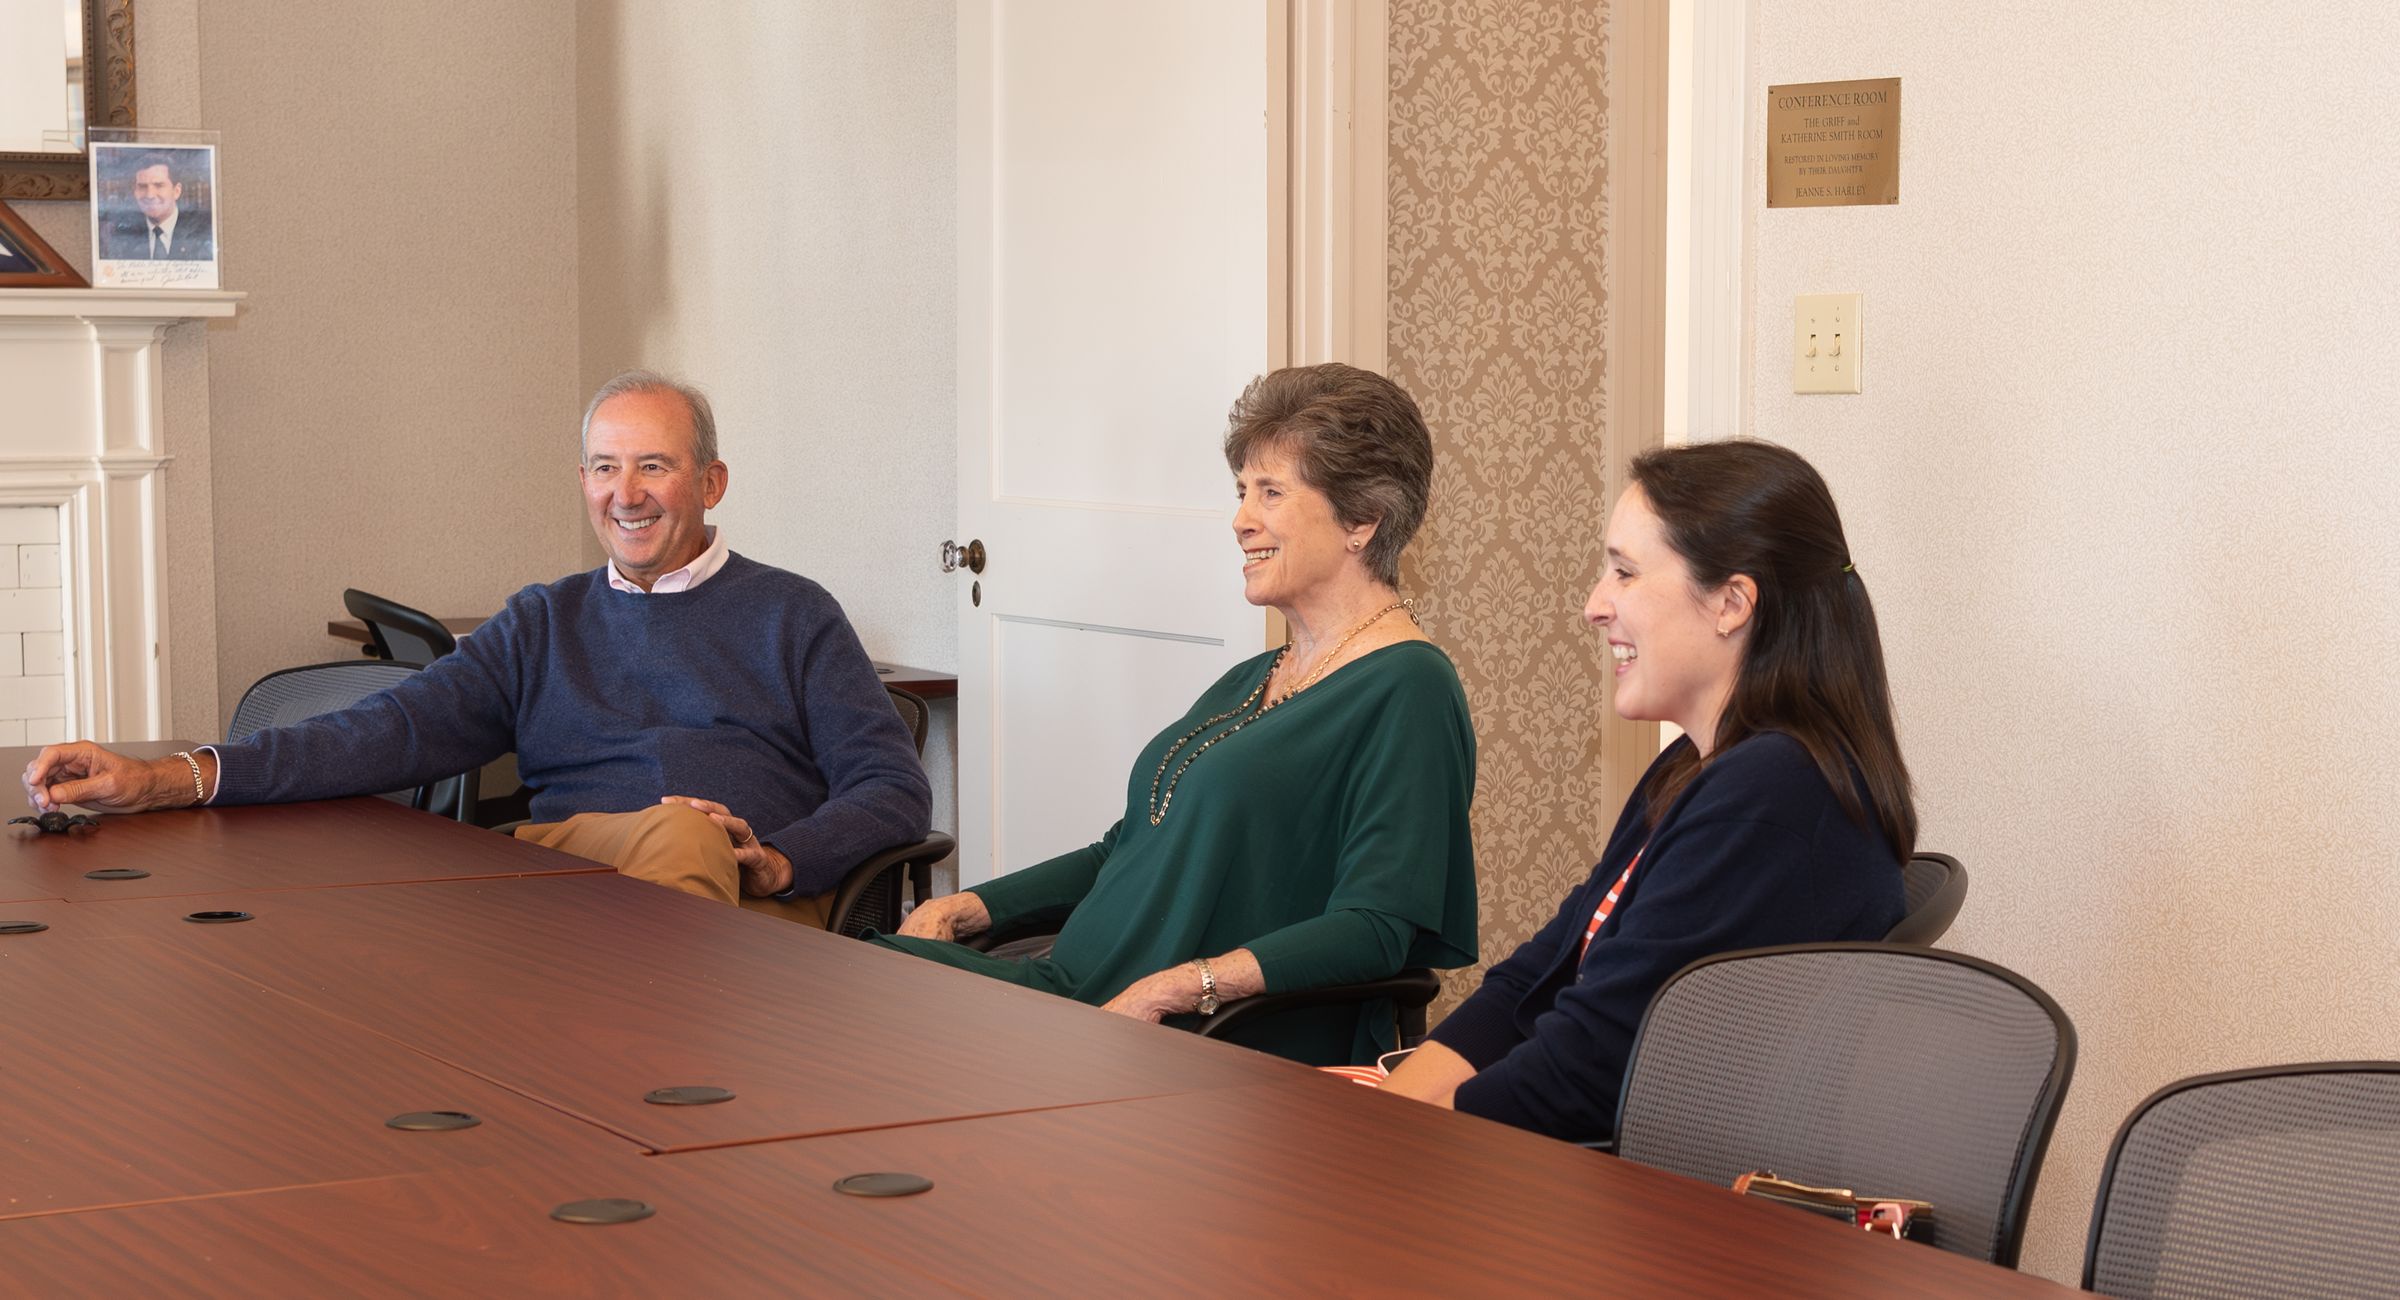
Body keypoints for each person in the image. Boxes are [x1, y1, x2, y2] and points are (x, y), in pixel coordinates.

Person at [21, 370, 931, 921]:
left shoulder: (794, 613)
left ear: (712, 481)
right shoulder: (545, 620)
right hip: (580, 884)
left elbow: (892, 789)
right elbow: (381, 731)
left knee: (688, 835)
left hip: (750, 900)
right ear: (583, 482)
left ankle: (648, 1071)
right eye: (606, 468)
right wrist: (165, 779)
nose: (628, 493)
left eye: (654, 465)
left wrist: (781, 859)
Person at [881, 363, 1478, 1066]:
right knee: (836, 978)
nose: (1240, 520)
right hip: (1074, 991)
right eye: (1241, 492)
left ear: (1362, 520)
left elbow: (1375, 928)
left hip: (1199, 1035)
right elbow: (1125, 848)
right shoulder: (1255, 678)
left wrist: (1182, 987)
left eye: (1271, 493)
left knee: (852, 1010)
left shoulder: (1408, 686)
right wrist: (971, 906)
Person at [1358, 439, 1911, 1142]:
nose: (1594, 605)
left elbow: (1592, 1066)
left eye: (1624, 572)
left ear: (1732, 603)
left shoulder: (1774, 796)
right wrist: (1387, 1120)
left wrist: (1410, 1148)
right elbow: (1534, 979)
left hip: (1662, 1212)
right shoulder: (1693, 766)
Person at [99, 153, 215, 261]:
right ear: (134, 192)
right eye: (142, 186)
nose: (150, 195)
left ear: (176, 191)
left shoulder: (203, 232)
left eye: (159, 185)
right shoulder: (121, 236)